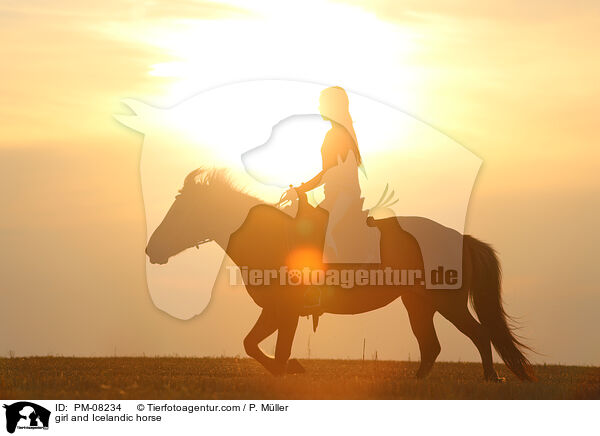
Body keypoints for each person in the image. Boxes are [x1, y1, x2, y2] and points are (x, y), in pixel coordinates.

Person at [287, 86, 380, 263]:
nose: (319, 108)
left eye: (322, 104)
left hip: (343, 195)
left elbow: (328, 172)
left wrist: (302, 189)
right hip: (335, 195)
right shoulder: (342, 132)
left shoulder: (336, 134)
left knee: (327, 234)